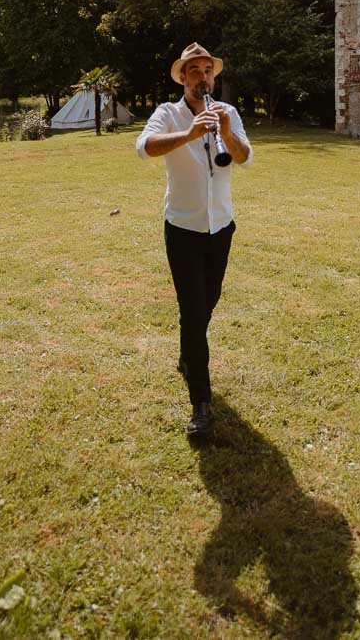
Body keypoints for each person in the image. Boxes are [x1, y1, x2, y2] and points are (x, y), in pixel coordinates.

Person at [135, 42, 252, 438]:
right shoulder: (167, 114)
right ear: (183, 77)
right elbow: (143, 148)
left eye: (208, 71)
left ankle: (188, 352)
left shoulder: (228, 113)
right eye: (195, 71)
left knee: (206, 306)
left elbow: (245, 156)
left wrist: (222, 132)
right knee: (192, 309)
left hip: (221, 228)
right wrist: (188, 133)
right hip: (183, 229)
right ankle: (201, 404)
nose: (203, 78)